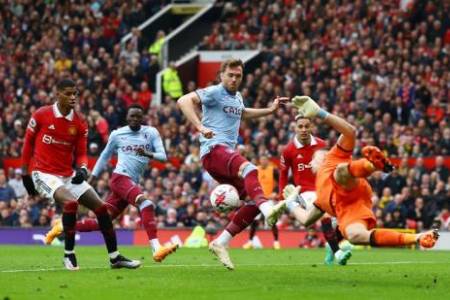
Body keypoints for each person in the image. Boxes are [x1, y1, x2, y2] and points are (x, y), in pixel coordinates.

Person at [177, 58, 294, 270]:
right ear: (221, 75)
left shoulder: (237, 97)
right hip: (214, 150)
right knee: (250, 169)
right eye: (230, 75)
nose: (234, 79)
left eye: (238, 76)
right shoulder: (213, 92)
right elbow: (183, 101)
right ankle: (269, 210)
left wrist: (270, 110)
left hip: (222, 156)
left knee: (252, 203)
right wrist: (199, 127)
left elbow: (243, 113)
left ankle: (221, 242)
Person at [283, 95, 439, 250]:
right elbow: (305, 220)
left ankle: (372, 165)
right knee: (355, 236)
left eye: (317, 154)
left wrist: (319, 113)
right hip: (351, 208)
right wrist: (291, 203)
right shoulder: (320, 199)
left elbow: (350, 131)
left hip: (352, 183)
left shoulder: (331, 157)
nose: (314, 158)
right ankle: (418, 238)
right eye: (312, 159)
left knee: (339, 173)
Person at [21, 79, 140, 270]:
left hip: (67, 175)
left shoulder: (80, 122)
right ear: (57, 94)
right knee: (70, 203)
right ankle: (69, 255)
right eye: (68, 93)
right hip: (43, 174)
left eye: (75, 93)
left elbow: (82, 154)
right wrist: (24, 175)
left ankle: (115, 258)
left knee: (101, 209)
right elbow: (27, 145)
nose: (73, 97)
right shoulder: (41, 115)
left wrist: (83, 169)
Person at [45, 104, 178, 262]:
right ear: (127, 118)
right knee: (146, 204)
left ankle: (62, 226)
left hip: (131, 182)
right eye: (132, 116)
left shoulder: (151, 132)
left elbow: (163, 156)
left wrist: (148, 153)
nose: (135, 119)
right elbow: (105, 155)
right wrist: (93, 176)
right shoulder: (118, 134)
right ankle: (156, 248)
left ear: (142, 118)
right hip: (120, 178)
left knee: (102, 222)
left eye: (138, 116)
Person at [279, 115, 352, 265]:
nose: (304, 129)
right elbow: (283, 176)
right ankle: (338, 253)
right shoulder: (288, 151)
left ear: (312, 127)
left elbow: (331, 168)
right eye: (300, 126)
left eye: (307, 126)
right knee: (325, 214)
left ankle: (330, 248)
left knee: (343, 219)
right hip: (305, 193)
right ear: (295, 128)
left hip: (325, 188)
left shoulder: (322, 145)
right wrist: (283, 199)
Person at [242, 155, 281, 250]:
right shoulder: (255, 170)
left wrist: (275, 192)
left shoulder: (273, 170)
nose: (263, 161)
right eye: (261, 160)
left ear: (268, 161)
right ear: (259, 161)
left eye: (265, 160)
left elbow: (280, 182)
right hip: (257, 198)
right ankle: (250, 242)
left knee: (271, 220)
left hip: (269, 199)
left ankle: (276, 242)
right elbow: (249, 182)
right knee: (254, 221)